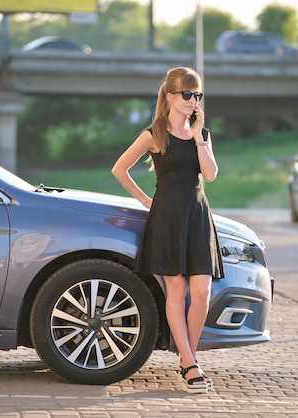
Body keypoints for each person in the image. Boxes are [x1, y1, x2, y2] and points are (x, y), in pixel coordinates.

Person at [111, 66, 224, 394]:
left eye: (197, 95)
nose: (193, 101)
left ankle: (187, 356)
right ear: (171, 96)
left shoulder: (200, 132)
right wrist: (145, 199)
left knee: (201, 291)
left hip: (197, 213)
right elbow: (120, 168)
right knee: (177, 292)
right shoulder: (154, 133)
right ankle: (190, 363)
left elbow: (211, 175)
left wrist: (200, 137)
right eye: (187, 95)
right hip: (168, 216)